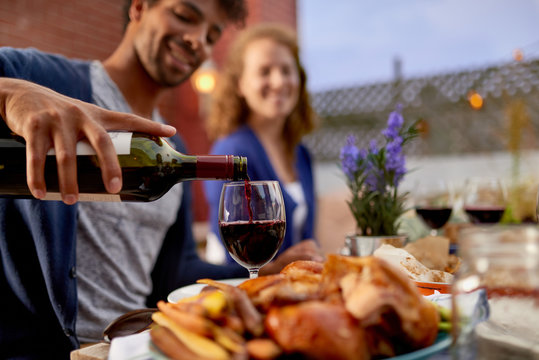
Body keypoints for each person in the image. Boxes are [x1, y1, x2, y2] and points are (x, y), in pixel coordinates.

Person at [0, 1, 321, 358]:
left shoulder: (174, 149)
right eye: (185, 15)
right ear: (139, 6)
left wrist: (266, 270)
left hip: (137, 347)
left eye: (212, 35)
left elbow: (176, 273)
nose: (198, 40)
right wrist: (9, 93)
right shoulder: (46, 82)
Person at [203, 23, 319, 264]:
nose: (278, 82)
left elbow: (309, 241)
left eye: (287, 70)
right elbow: (232, 254)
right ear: (240, 85)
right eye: (264, 71)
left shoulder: (302, 154)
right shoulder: (230, 153)